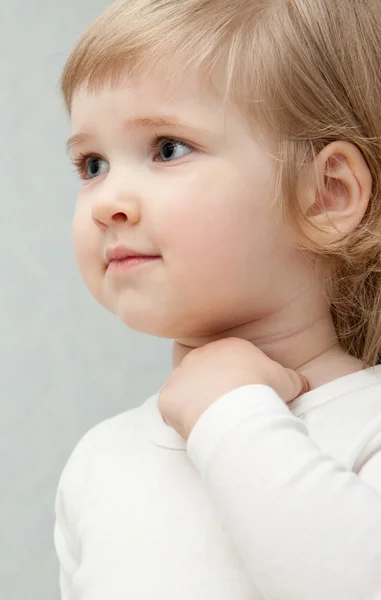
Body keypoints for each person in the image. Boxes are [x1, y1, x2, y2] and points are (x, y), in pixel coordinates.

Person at [53, 0, 381, 598]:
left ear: (327, 194)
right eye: (92, 163)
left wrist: (232, 415)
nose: (106, 202)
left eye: (167, 148)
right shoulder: (96, 465)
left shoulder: (369, 425)